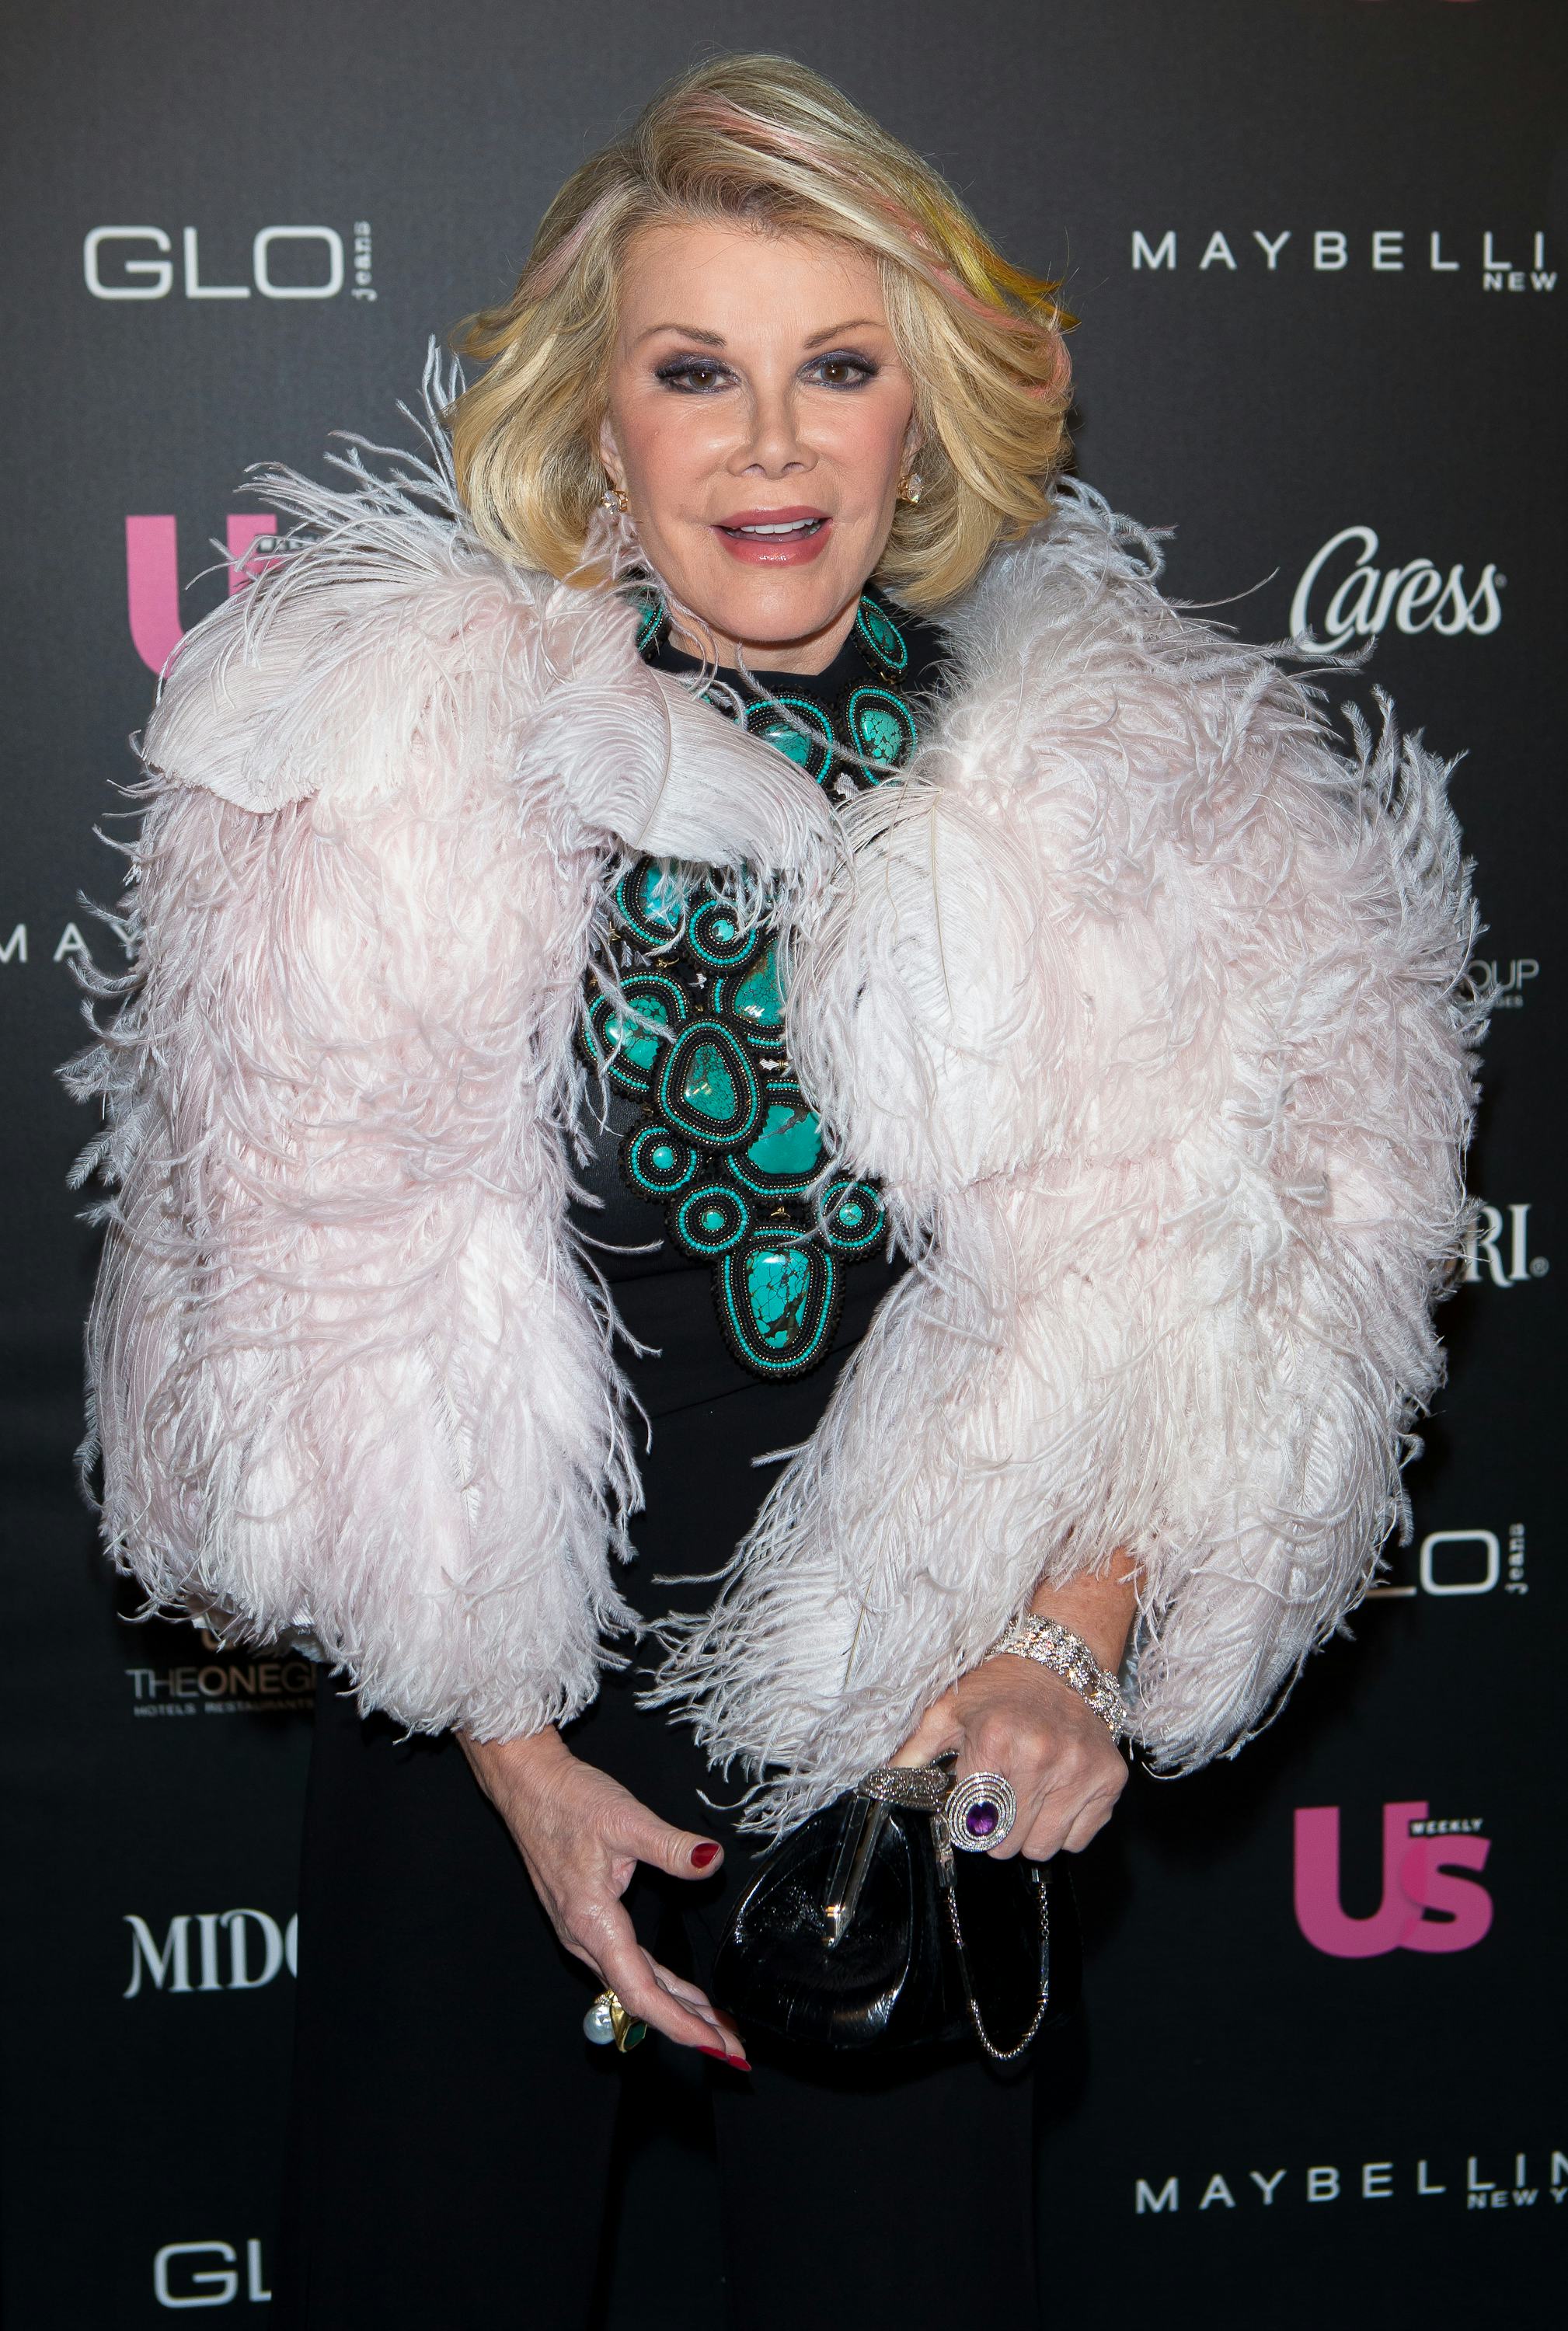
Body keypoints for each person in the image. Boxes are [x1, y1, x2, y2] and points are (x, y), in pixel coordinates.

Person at [67, 51, 1481, 2331]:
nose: (768, 447)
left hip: (896, 1730)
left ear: (926, 409)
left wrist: (1060, 1650)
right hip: (481, 1713)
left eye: (836, 367)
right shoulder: (375, 784)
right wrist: (518, 1768)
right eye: (694, 371)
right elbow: (282, 1301)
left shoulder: (1143, 808)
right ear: (595, 414)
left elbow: (1220, 1300)